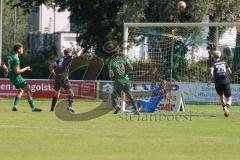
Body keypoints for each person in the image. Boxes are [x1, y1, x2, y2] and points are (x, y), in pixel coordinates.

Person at [1, 43, 42, 112]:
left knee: (20, 90)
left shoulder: (9, 56)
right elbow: (17, 71)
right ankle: (33, 108)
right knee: (28, 91)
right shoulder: (16, 58)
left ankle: (15, 106)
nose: (23, 50)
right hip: (17, 77)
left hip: (11, 77)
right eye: (22, 48)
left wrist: (5, 69)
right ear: (18, 50)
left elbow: (2, 63)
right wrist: (26, 68)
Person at [49, 46, 84, 112]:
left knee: (56, 93)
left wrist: (54, 75)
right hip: (63, 77)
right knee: (71, 93)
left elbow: (50, 66)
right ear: (69, 53)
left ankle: (52, 109)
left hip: (57, 77)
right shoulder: (68, 57)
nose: (71, 53)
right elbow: (77, 55)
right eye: (71, 52)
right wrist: (81, 50)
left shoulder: (61, 58)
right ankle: (70, 106)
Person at [108, 46, 139, 115]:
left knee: (114, 95)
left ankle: (117, 106)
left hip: (118, 81)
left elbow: (111, 75)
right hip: (126, 81)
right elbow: (131, 68)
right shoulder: (124, 59)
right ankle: (136, 109)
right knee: (130, 95)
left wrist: (114, 79)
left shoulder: (111, 62)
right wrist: (125, 73)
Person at [209, 51, 232, 117]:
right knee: (229, 98)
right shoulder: (224, 62)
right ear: (220, 56)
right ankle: (226, 107)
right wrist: (228, 77)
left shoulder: (213, 64)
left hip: (218, 83)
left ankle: (225, 112)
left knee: (221, 98)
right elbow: (230, 71)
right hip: (225, 81)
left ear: (213, 56)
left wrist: (209, 80)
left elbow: (211, 73)